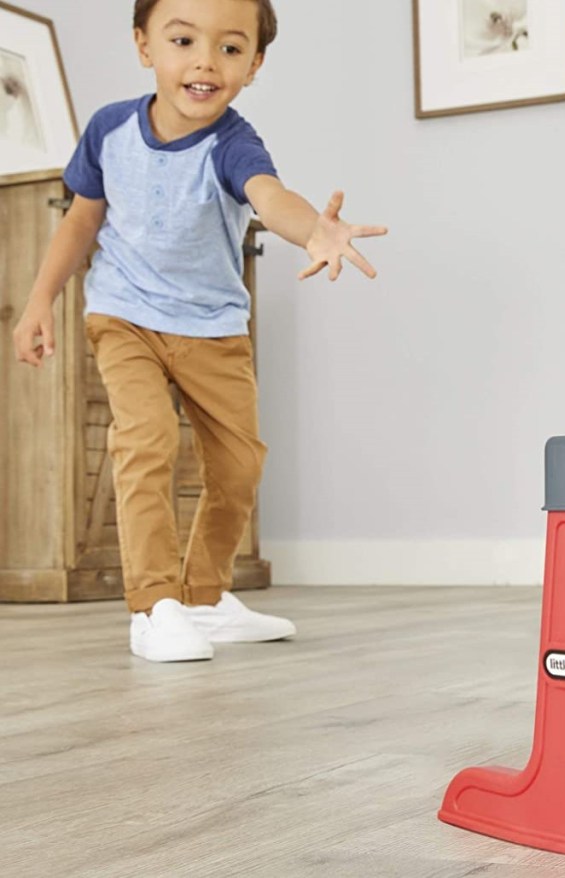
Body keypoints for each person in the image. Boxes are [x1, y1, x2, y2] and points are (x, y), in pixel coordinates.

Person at [11, 0, 387, 662]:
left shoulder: (232, 143)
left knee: (240, 466)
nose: (205, 61)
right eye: (183, 39)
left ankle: (205, 600)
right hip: (124, 316)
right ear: (144, 45)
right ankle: (154, 606)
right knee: (146, 441)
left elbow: (270, 195)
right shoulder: (108, 131)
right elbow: (79, 222)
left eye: (231, 48)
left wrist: (315, 229)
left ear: (255, 65)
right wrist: (40, 300)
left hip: (213, 327)